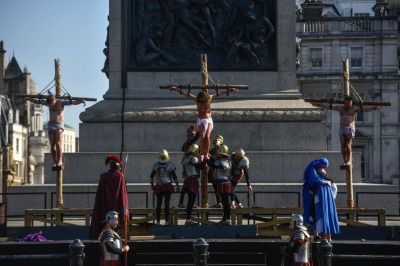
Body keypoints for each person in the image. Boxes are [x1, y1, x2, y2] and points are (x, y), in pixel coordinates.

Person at [169, 87, 238, 160]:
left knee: (207, 136)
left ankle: (206, 152)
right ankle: (202, 152)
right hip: (201, 121)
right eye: (200, 100)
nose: (202, 101)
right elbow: (187, 94)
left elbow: (220, 93)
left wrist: (230, 89)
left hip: (208, 120)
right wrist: (177, 89)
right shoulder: (196, 99)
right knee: (203, 136)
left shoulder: (209, 98)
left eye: (203, 100)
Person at [312, 96, 382, 166]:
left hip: (350, 128)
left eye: (349, 104)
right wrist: (320, 105)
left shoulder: (354, 109)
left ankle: (348, 161)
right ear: (344, 103)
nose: (348, 105)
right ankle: (345, 160)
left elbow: (365, 110)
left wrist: (375, 108)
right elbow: (329, 107)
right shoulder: (340, 108)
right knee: (342, 145)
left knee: (348, 145)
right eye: (347, 103)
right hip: (342, 127)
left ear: (351, 104)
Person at [24, 94, 86, 169]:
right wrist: (28, 98)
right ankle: (55, 161)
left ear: (54, 100)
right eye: (50, 104)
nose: (51, 105)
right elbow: (37, 101)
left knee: (58, 143)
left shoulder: (61, 102)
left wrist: (81, 101)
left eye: (52, 103)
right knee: (52, 145)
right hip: (51, 124)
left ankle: (59, 161)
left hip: (59, 124)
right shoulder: (47, 102)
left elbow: (73, 102)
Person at [89, 155, 129, 238]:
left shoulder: (104, 177)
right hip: (115, 204)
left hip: (105, 204)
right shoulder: (120, 176)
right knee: (114, 221)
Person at [302, 158, 339, 242]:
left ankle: (321, 235)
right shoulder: (312, 169)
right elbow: (314, 180)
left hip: (319, 196)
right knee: (312, 213)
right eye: (323, 167)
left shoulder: (317, 170)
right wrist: (326, 182)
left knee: (317, 214)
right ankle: (307, 234)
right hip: (313, 196)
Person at [150, 149, 180, 226]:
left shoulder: (156, 165)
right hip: (166, 186)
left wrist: (152, 185)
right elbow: (175, 177)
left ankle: (159, 222)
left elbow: (151, 177)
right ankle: (165, 222)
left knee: (160, 204)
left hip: (160, 186)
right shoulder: (170, 165)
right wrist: (177, 186)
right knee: (164, 204)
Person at [207, 144, 233, 225]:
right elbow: (215, 160)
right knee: (224, 202)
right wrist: (209, 157)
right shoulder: (224, 159)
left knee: (226, 203)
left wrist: (206, 160)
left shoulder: (224, 161)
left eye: (219, 152)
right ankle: (225, 218)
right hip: (223, 183)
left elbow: (213, 165)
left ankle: (227, 219)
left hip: (224, 183)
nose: (218, 153)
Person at [181, 144, 206, 225]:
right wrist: (204, 159)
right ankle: (188, 220)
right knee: (191, 201)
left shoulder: (185, 158)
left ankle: (181, 202)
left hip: (187, 179)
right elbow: (202, 167)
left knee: (190, 200)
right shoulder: (193, 158)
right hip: (192, 180)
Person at [178, 125, 200, 208]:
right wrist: (200, 131)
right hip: (190, 162)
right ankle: (183, 202)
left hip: (189, 162)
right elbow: (196, 138)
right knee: (187, 185)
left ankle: (186, 202)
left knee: (187, 185)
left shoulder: (189, 143)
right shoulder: (189, 143)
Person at [209, 135, 224, 208]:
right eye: (214, 141)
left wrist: (210, 158)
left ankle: (222, 202)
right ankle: (218, 202)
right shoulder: (212, 150)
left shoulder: (223, 149)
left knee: (220, 188)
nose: (215, 142)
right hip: (213, 171)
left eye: (216, 140)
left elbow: (217, 158)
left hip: (220, 172)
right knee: (215, 188)